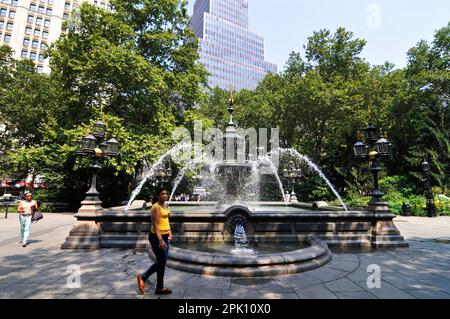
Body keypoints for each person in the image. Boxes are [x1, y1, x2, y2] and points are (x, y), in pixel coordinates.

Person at [136, 188, 173, 295]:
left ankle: (155, 285)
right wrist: (160, 239)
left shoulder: (165, 205)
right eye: (162, 194)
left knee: (162, 261)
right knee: (162, 261)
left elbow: (166, 219)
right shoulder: (155, 207)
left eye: (166, 193)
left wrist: (169, 231)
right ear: (157, 196)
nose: (165, 195)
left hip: (165, 236)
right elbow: (155, 224)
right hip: (157, 237)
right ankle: (149, 281)